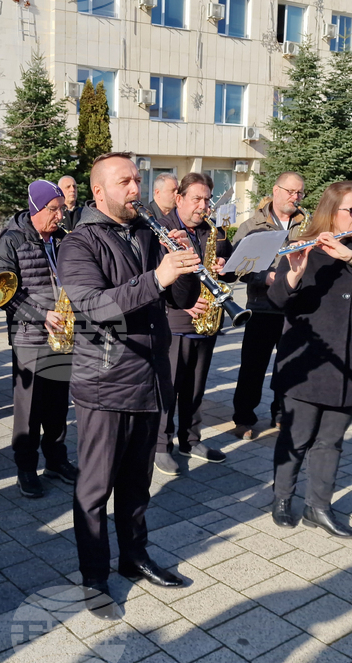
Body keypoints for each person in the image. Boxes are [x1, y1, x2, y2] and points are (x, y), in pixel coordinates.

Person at [57, 152, 200, 618]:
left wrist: (183, 266)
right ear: (99, 191)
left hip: (149, 375)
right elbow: (94, 306)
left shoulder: (146, 232)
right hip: (105, 380)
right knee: (95, 489)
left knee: (137, 486)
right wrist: (157, 276)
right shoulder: (79, 242)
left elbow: (178, 299)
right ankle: (94, 576)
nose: (135, 189)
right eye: (125, 181)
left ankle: (134, 557)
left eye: (137, 180)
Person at [269, 181, 352, 539]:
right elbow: (278, 299)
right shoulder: (301, 247)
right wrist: (292, 273)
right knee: (296, 437)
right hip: (308, 360)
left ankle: (318, 507)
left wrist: (350, 256)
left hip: (350, 361)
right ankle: (281, 499)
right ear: (331, 212)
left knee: (331, 440)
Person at [0, 180, 78, 498]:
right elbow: (1, 291)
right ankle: (25, 468)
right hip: (30, 336)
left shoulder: (62, 239)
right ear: (37, 209)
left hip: (62, 335)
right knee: (29, 410)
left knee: (56, 406)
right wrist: (42, 315)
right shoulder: (11, 241)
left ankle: (56, 460)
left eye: (62, 210)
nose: (60, 216)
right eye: (53, 210)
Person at [154, 172, 230, 476]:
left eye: (207, 199)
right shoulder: (163, 230)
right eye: (196, 198)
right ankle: (161, 445)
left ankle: (190, 438)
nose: (203, 205)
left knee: (196, 388)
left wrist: (226, 267)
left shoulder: (211, 231)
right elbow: (154, 276)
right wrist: (182, 303)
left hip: (205, 322)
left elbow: (230, 268)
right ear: (179, 198)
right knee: (168, 388)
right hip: (174, 322)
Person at [228, 172, 308, 439]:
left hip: (295, 310)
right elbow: (237, 268)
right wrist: (267, 277)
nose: (295, 197)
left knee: (289, 366)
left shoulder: (307, 224)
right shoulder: (252, 226)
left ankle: (282, 415)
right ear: (276, 190)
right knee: (252, 367)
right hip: (262, 307)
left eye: (299, 193)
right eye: (290, 191)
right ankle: (243, 418)